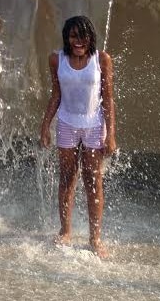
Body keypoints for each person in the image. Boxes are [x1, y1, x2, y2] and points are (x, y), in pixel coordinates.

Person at [39, 16, 116, 259]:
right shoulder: (57, 59)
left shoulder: (101, 59)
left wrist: (111, 134)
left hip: (93, 125)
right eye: (73, 36)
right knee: (67, 178)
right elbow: (56, 94)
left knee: (93, 181)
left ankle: (95, 238)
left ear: (90, 38)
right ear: (67, 38)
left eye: (82, 36)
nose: (78, 41)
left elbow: (108, 98)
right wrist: (44, 126)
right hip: (67, 123)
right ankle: (66, 231)